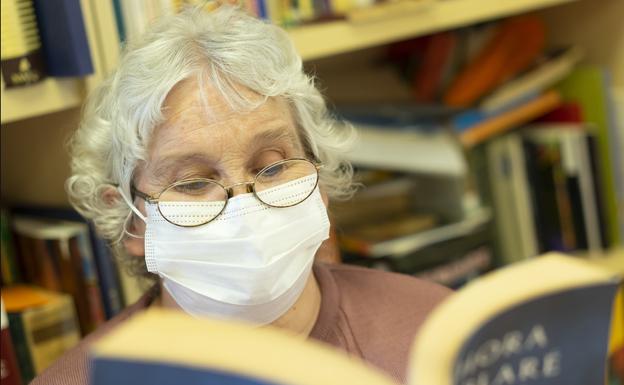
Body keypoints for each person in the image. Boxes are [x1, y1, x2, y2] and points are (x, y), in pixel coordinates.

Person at [32, 5, 450, 385]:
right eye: (192, 183)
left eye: (273, 166)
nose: (244, 208)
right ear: (130, 220)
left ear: (318, 180)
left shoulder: (435, 329)